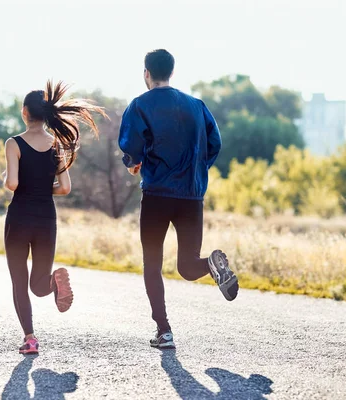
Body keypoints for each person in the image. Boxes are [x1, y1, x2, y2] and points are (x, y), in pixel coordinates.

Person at [118, 49, 239, 350]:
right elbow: (215, 143)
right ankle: (212, 265)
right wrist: (196, 170)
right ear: (171, 72)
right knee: (187, 266)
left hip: (157, 194)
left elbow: (131, 147)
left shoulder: (140, 105)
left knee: (152, 264)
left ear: (146, 73)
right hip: (191, 195)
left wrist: (134, 162)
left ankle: (164, 331)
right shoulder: (196, 105)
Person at [3, 80, 106, 354]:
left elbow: (12, 184)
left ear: (25, 112)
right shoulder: (57, 145)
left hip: (20, 217)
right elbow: (64, 188)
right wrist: (40, 186)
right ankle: (53, 281)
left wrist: (8, 178)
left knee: (19, 281)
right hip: (46, 219)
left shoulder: (14, 144)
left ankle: (30, 338)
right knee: (38, 285)